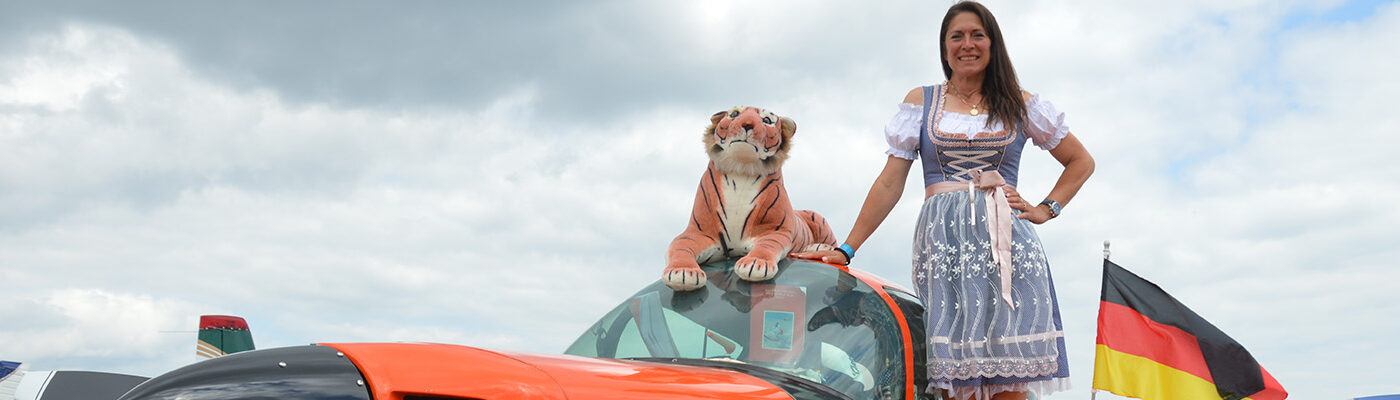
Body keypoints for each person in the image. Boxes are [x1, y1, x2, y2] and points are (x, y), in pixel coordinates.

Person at [793, 2, 1094, 399]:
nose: (967, 44)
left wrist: (1044, 208)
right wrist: (848, 247)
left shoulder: (1019, 103)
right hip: (945, 250)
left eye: (977, 35)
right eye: (957, 36)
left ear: (992, 44)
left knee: (1008, 381)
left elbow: (1080, 161)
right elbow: (889, 182)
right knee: (952, 380)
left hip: (1009, 252)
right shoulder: (921, 101)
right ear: (945, 46)